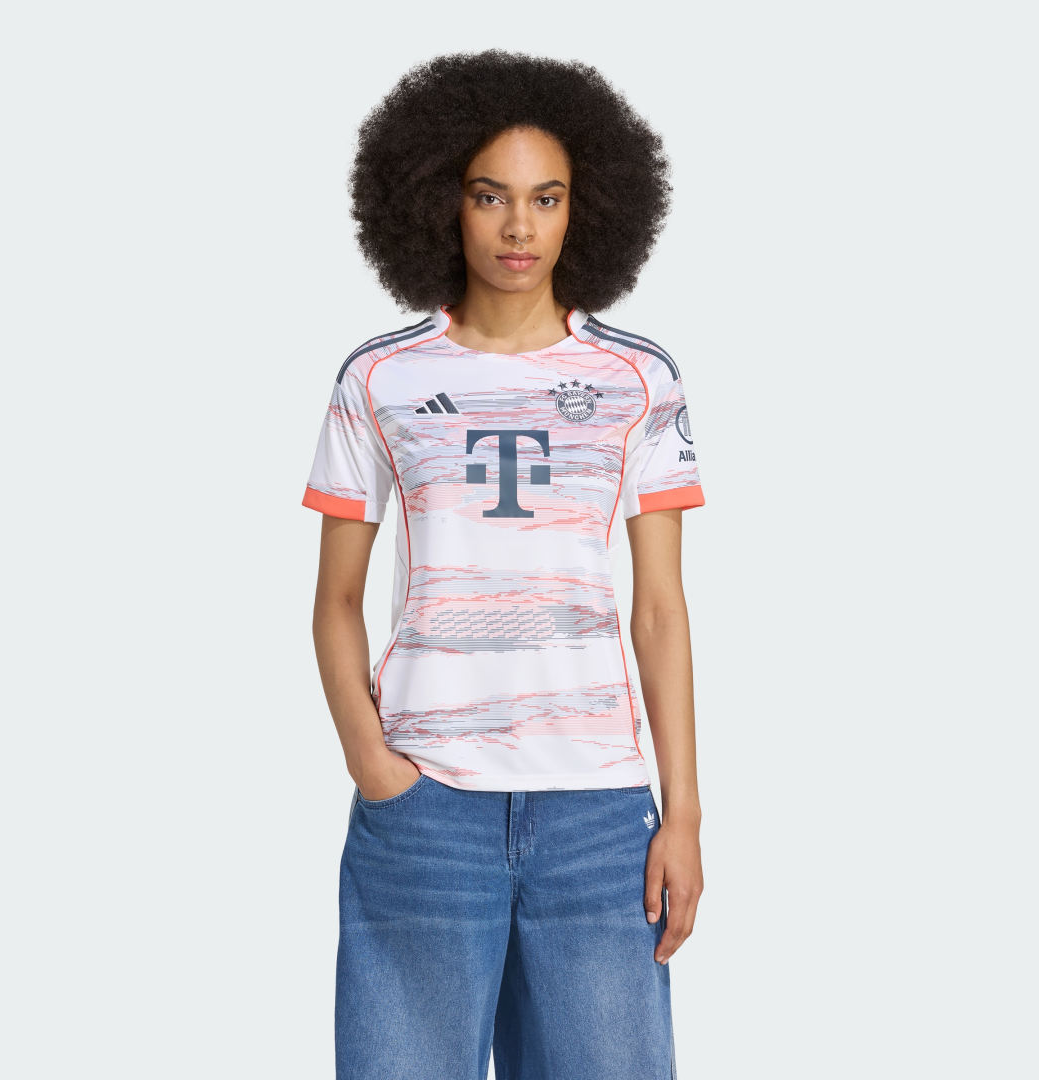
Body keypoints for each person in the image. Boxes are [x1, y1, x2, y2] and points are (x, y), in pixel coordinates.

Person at [301, 48, 705, 1080]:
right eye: (490, 196)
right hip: (424, 810)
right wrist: (375, 769)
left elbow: (660, 611)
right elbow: (335, 602)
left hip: (599, 818)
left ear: (585, 208)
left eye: (545, 198)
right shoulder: (380, 379)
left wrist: (684, 814)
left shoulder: (638, 380)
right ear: (443, 200)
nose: (519, 227)